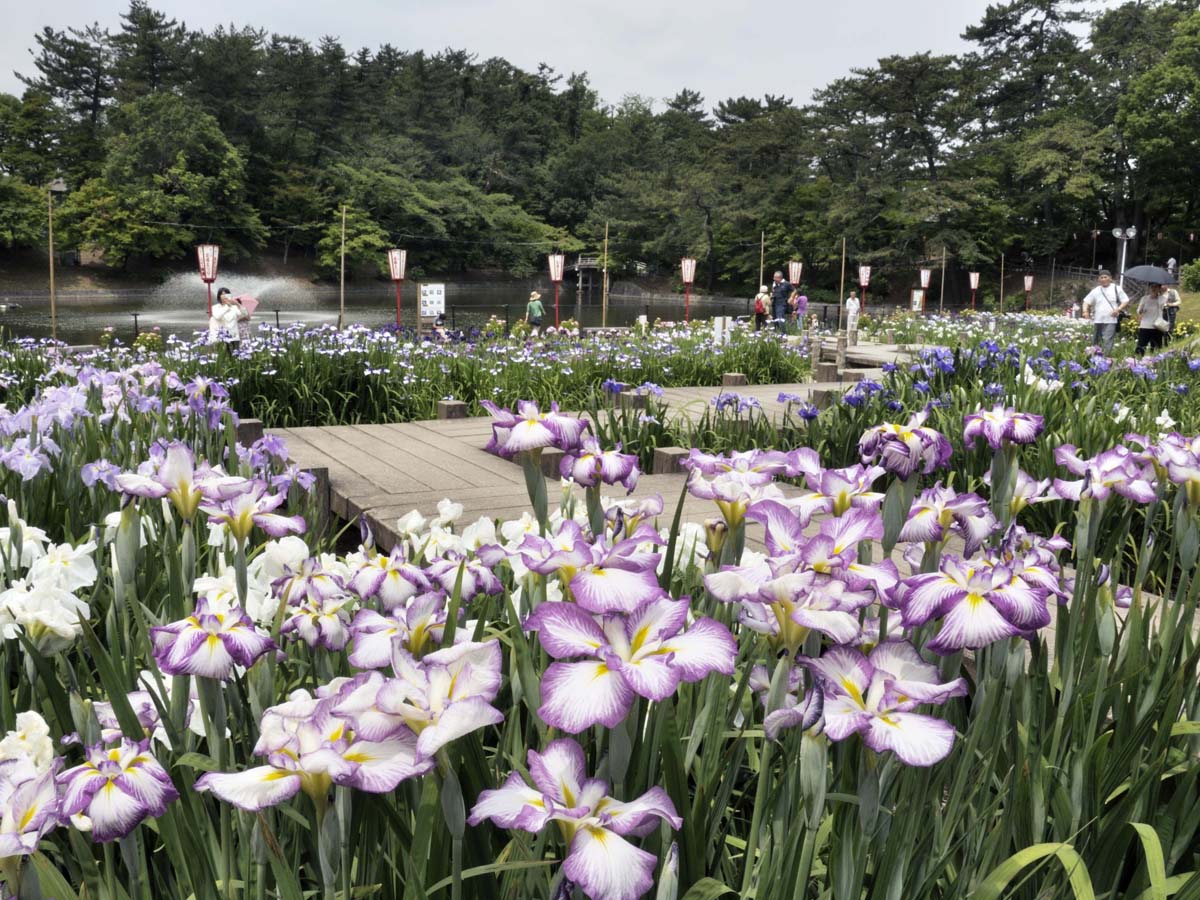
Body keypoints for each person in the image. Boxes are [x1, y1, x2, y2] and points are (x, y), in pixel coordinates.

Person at [1081, 270, 1129, 352]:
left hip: (1111, 319)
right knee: (1096, 340)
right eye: (1101, 277)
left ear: (1110, 278)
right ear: (1099, 279)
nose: (1103, 279)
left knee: (1107, 340)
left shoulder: (1116, 288)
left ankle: (1106, 358)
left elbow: (1125, 300)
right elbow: (1086, 301)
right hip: (1098, 319)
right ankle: (1095, 358)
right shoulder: (1096, 290)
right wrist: (1085, 311)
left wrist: (1118, 309)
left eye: (1105, 277)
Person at [1135, 283, 1169, 356]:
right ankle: (1138, 362)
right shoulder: (1144, 298)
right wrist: (1140, 310)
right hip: (1145, 325)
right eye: (1152, 287)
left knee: (1156, 348)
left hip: (1157, 326)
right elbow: (1138, 310)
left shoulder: (1162, 298)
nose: (1153, 289)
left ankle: (1155, 364)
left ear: (1159, 288)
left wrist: (1157, 298)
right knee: (1140, 347)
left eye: (1155, 287)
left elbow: (1163, 307)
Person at [208, 288, 242, 352]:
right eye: (222, 294)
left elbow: (243, 314)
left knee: (236, 356)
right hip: (223, 337)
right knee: (225, 356)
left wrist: (237, 304)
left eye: (226, 294)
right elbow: (217, 316)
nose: (225, 296)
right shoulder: (215, 307)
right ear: (219, 296)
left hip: (234, 335)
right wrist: (227, 306)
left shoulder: (234, 307)